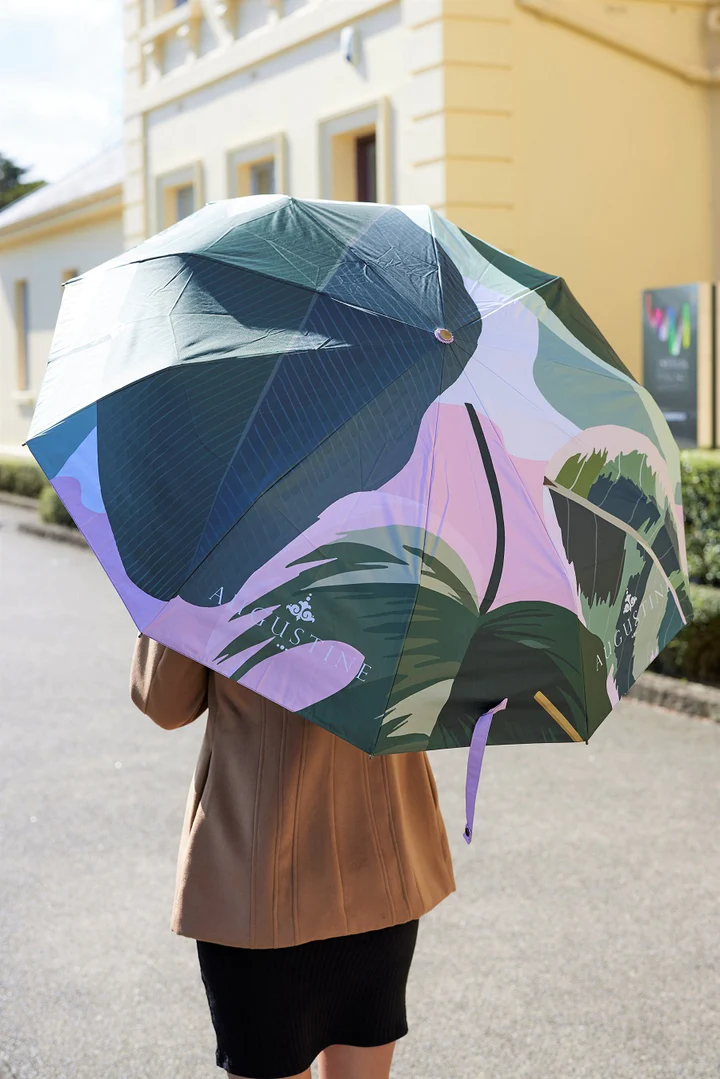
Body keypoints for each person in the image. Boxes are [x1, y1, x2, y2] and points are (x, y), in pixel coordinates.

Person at [131, 634, 455, 1079]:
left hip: (260, 865)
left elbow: (164, 702)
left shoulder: (219, 565)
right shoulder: (407, 561)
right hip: (380, 846)